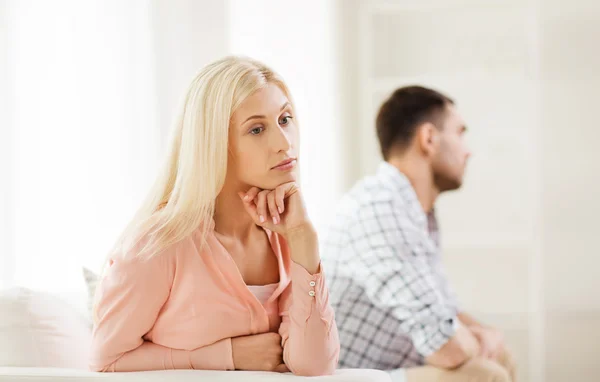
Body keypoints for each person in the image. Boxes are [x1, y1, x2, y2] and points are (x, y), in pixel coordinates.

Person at [89, 56, 339, 376]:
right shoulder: (158, 245)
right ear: (214, 143)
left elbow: (314, 366)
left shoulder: (287, 236)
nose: (284, 143)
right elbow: (106, 360)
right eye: (257, 129)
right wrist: (226, 356)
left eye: (285, 119)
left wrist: (305, 241)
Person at [321, 86, 516, 381]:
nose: (468, 150)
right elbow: (445, 346)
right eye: (460, 133)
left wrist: (487, 335)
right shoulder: (380, 209)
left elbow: (445, 308)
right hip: (357, 374)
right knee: (484, 375)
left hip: (398, 363)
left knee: (500, 356)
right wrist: (480, 341)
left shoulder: (415, 212)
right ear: (428, 139)